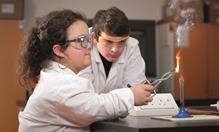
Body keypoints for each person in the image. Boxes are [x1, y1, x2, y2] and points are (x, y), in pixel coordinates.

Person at [17, 9, 154, 132]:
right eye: (81, 40)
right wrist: (131, 95)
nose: (89, 46)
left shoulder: (61, 77)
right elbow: (93, 108)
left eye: (88, 39)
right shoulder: (59, 84)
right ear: (59, 50)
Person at [79, 7, 146, 93]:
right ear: (94, 37)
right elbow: (82, 94)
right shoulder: (81, 45)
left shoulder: (131, 45)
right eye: (108, 41)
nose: (115, 49)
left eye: (122, 42)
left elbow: (134, 89)